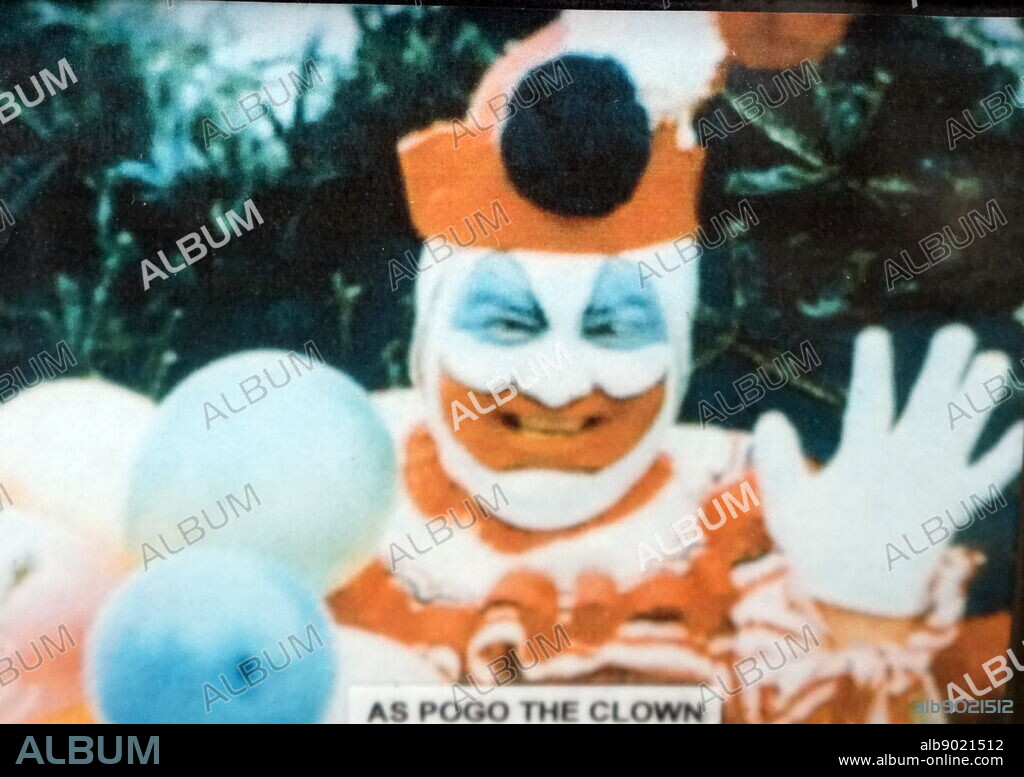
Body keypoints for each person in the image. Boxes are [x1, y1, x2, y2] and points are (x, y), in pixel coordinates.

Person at [328, 10, 1023, 723]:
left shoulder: (761, 511)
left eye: (614, 327)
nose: (559, 384)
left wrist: (862, 619)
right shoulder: (334, 482)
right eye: (508, 322)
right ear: (429, 336)